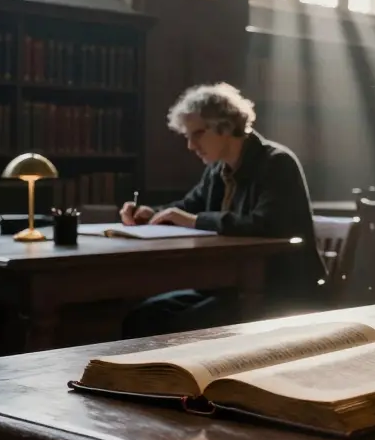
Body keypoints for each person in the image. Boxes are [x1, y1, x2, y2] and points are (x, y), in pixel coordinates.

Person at [120, 83, 325, 338]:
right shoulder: (218, 169)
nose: (190, 146)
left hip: (279, 290)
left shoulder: (276, 163)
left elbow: (265, 224)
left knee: (170, 327)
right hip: (228, 286)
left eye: (197, 134)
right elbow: (186, 208)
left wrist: (195, 221)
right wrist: (149, 214)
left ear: (225, 127)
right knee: (141, 317)